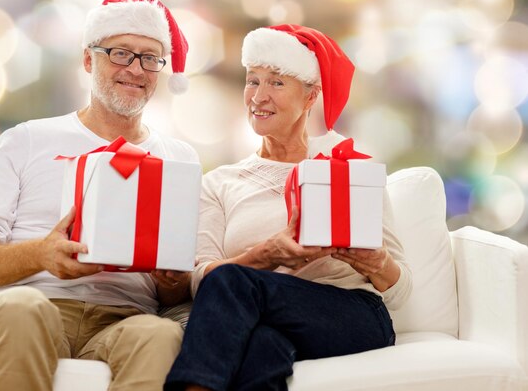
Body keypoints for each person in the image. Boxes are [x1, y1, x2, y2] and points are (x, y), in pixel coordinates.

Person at [0, 0, 196, 391]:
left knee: (161, 335)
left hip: (123, 319)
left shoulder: (178, 158)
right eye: (120, 53)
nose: (136, 69)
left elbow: (175, 292)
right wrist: (42, 255)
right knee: (19, 308)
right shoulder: (27, 139)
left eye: (150, 58)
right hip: (33, 305)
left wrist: (171, 278)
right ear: (89, 60)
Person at [165, 24, 413, 391]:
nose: (258, 96)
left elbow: (401, 289)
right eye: (253, 81)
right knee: (263, 345)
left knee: (233, 282)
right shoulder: (220, 182)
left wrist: (377, 262)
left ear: (311, 96)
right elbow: (202, 281)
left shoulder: (346, 169)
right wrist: (266, 254)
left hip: (351, 315)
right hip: (264, 318)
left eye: (277, 83)